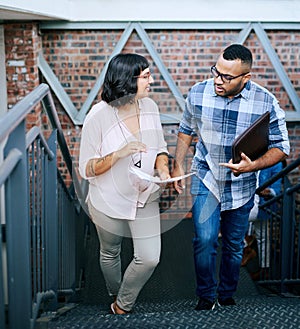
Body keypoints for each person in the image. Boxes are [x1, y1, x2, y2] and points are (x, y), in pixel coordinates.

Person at [171, 44, 290, 310]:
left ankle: (226, 294)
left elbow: (282, 147)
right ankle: (205, 296)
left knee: (235, 246)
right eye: (216, 71)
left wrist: (253, 166)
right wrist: (178, 164)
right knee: (205, 239)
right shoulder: (199, 93)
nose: (218, 80)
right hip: (206, 178)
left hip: (242, 185)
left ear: (245, 78)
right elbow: (186, 129)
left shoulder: (265, 101)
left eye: (227, 77)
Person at [79, 53, 170, 314]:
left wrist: (162, 169)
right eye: (146, 77)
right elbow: (86, 168)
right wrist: (118, 154)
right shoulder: (98, 116)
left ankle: (122, 303)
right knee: (110, 251)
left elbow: (161, 149)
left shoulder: (150, 107)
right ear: (127, 81)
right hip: (108, 198)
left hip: (145, 195)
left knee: (149, 257)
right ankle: (115, 292)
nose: (151, 81)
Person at [242, 161, 285, 279]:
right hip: (248, 202)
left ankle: (263, 268)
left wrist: (268, 191)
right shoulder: (251, 156)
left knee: (263, 237)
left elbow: (276, 189)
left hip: (262, 204)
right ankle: (248, 247)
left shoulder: (275, 163)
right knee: (261, 237)